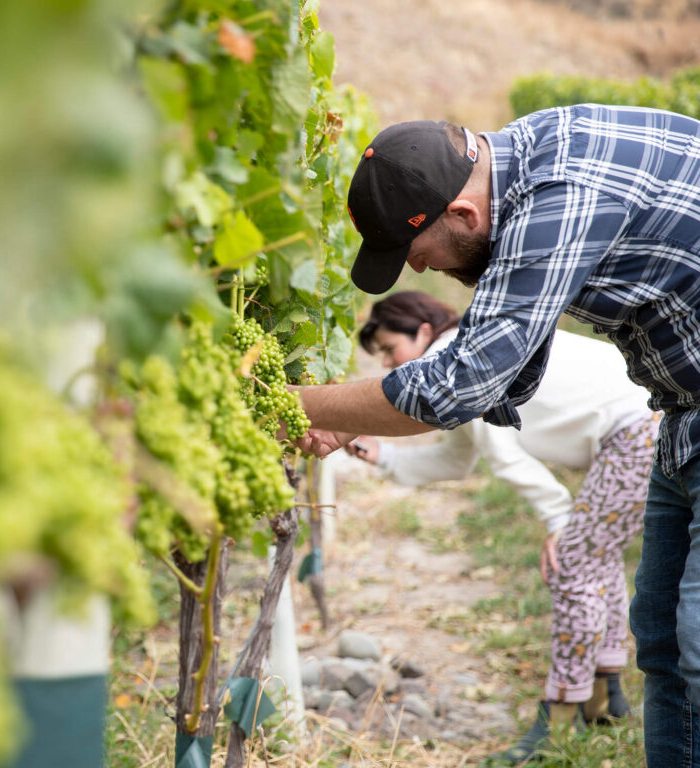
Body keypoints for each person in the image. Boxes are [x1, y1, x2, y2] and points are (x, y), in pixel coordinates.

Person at [293, 106, 700, 766]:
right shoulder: (527, 173)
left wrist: (294, 406)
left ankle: (567, 707)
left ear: (464, 215)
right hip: (681, 418)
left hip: (662, 420)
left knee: (696, 645)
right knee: (662, 643)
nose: (420, 275)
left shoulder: (557, 191)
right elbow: (491, 391)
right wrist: (347, 421)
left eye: (418, 256)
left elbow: (463, 386)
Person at [348, 290, 657, 762]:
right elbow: (460, 456)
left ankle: (559, 720)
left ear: (424, 331)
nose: (391, 366)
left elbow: (502, 454)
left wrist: (557, 517)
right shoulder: (472, 348)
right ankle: (604, 696)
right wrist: (385, 456)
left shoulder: (454, 361)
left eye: (392, 350)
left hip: (635, 430)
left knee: (573, 565)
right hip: (649, 418)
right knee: (595, 557)